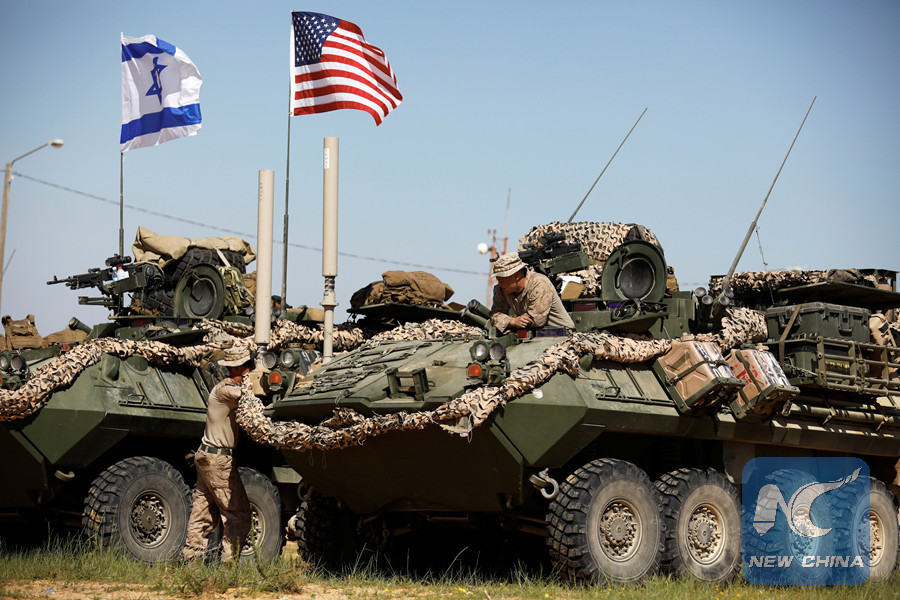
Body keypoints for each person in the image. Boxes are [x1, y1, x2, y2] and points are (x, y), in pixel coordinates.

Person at [182, 347, 253, 564]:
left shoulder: (222, 388)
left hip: (206, 456)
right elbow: (249, 398)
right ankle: (228, 564)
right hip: (218, 460)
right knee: (238, 514)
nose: (250, 369)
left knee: (202, 513)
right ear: (236, 368)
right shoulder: (227, 390)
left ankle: (192, 561)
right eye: (248, 366)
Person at [489, 252, 574, 333]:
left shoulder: (539, 283)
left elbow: (537, 319)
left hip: (561, 334)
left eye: (501, 280)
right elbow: (495, 315)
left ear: (516, 276)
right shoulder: (501, 289)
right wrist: (512, 321)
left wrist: (507, 321)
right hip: (532, 335)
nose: (499, 284)